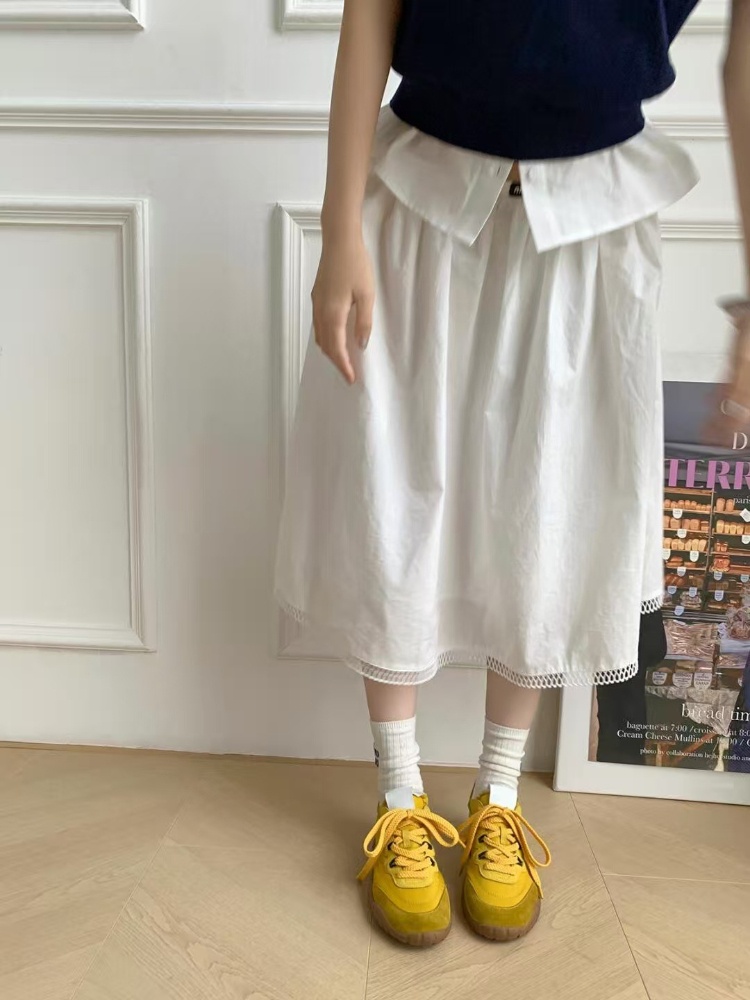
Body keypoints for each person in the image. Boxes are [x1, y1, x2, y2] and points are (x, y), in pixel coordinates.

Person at [274, 0, 750, 947]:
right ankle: (400, 792)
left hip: (596, 216)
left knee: (553, 496)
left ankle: (498, 790)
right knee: (392, 481)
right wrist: (339, 226)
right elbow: (372, 10)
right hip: (418, 191)